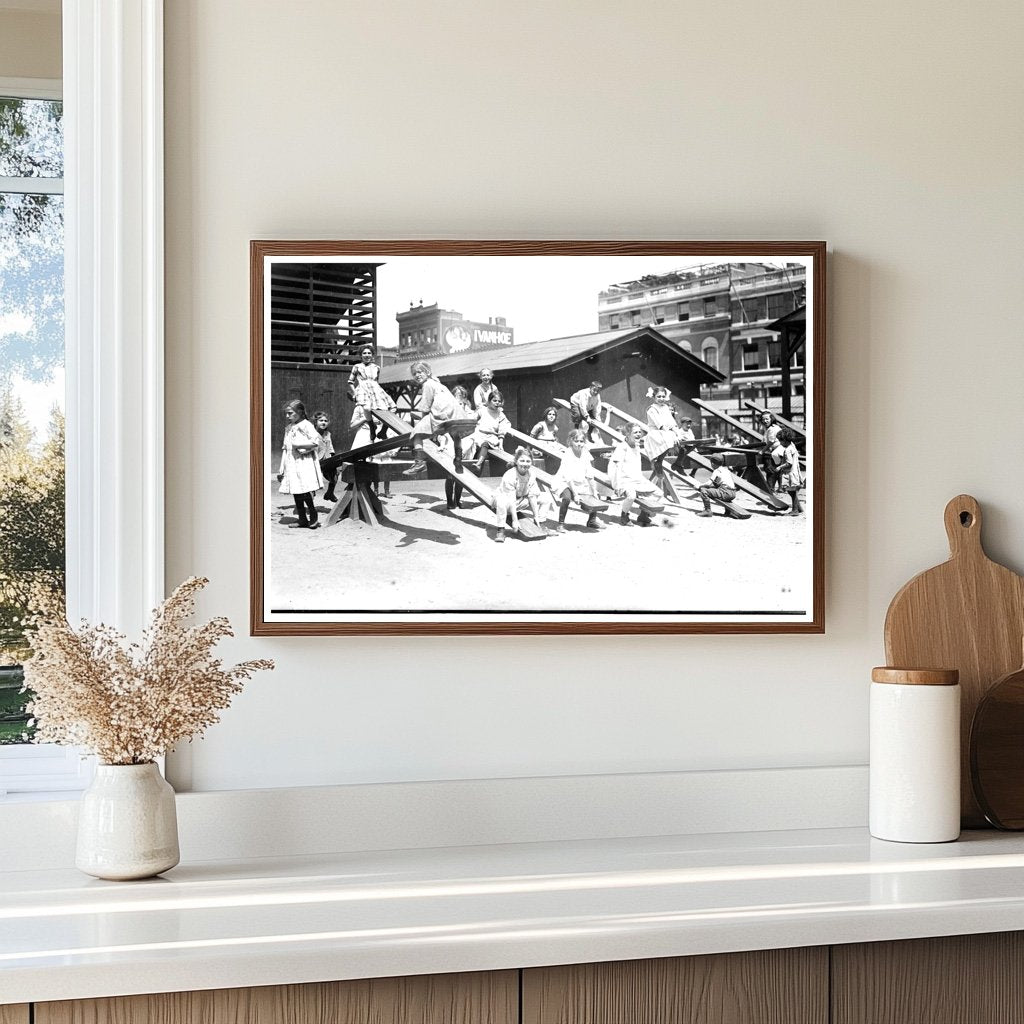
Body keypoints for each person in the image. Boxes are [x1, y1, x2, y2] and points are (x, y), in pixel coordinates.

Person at [403, 361, 457, 477]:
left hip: (440, 415)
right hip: (451, 415)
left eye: (419, 372)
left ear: (427, 372)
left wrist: (422, 423)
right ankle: (458, 456)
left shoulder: (427, 385)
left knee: (416, 434)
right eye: (414, 374)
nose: (417, 375)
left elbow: (425, 407)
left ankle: (419, 463)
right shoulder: (438, 383)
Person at [276, 399, 324, 529]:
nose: (287, 416)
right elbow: (286, 448)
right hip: (292, 462)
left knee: (305, 489)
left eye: (290, 413)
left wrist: (301, 446)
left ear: (300, 412)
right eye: (286, 413)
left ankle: (313, 516)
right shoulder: (289, 428)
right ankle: (302, 519)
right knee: (296, 490)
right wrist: (282, 467)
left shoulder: (306, 425)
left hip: (304, 462)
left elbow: (316, 442)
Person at [608, 424, 662, 527]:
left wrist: (642, 480)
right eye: (635, 432)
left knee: (658, 493)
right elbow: (616, 467)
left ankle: (643, 515)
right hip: (623, 479)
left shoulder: (636, 446)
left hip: (636, 479)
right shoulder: (622, 447)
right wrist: (618, 485)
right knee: (631, 496)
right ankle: (624, 515)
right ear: (628, 434)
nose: (638, 434)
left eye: (639, 432)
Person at [550, 428, 603, 531]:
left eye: (581, 441)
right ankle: (560, 524)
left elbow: (589, 474)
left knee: (595, 495)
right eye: (576, 441)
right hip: (565, 482)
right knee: (567, 498)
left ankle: (592, 521)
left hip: (579, 482)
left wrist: (594, 490)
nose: (579, 444)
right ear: (571, 441)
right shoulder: (568, 454)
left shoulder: (585, 453)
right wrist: (575, 494)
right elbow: (568, 477)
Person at [493, 446, 545, 543]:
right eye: (522, 461)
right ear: (516, 461)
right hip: (507, 500)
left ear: (532, 462)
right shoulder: (510, 475)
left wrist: (536, 516)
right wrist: (515, 520)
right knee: (501, 502)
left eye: (528, 461)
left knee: (545, 499)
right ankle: (500, 530)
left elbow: (532, 496)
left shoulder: (531, 474)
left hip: (520, 499)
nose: (525, 464)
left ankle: (539, 523)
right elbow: (511, 499)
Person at [348, 345, 396, 441]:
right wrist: (355, 393)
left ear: (372, 355)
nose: (367, 355)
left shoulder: (377, 367)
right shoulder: (357, 367)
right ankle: (372, 427)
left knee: (393, 408)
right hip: (363, 389)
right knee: (366, 407)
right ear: (361, 355)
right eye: (364, 353)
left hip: (375, 389)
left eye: (369, 353)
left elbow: (376, 381)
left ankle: (383, 431)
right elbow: (350, 382)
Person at [644, 387, 685, 479]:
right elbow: (660, 424)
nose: (661, 399)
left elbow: (671, 422)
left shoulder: (665, 407)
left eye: (663, 396)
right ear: (654, 397)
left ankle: (678, 463)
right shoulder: (651, 409)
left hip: (666, 432)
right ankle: (659, 461)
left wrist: (677, 433)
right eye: (659, 397)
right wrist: (672, 434)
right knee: (670, 438)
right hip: (655, 432)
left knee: (683, 441)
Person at [470, 390, 512, 472]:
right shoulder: (482, 410)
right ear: (489, 401)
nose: (497, 403)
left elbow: (502, 429)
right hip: (479, 434)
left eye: (499, 401)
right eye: (494, 400)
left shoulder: (500, 414)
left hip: (491, 437)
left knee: (485, 444)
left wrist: (501, 444)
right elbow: (472, 420)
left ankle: (478, 464)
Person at [772, 427, 804, 516]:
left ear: (785, 440)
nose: (780, 443)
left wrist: (779, 467)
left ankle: (795, 510)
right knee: (793, 491)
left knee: (791, 491)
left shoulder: (787, 450)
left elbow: (789, 463)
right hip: (795, 472)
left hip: (790, 473)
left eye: (781, 441)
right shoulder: (792, 446)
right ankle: (799, 508)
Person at [696, 452, 737, 518]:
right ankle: (728, 511)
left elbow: (709, 484)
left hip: (725, 492)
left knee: (704, 491)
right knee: (718, 489)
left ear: (712, 463)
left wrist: (699, 486)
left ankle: (707, 510)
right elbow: (718, 483)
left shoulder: (716, 471)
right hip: (733, 493)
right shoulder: (726, 470)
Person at [312, 410, 338, 503]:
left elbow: (330, 447)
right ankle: (311, 497)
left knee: (335, 474)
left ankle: (330, 493)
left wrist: (332, 456)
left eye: (325, 421)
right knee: (312, 480)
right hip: (315, 460)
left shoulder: (328, 434)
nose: (323, 422)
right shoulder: (312, 433)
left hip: (327, 459)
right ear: (315, 422)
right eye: (321, 420)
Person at [530, 406, 560, 472]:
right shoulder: (541, 425)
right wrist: (529, 447)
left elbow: (554, 437)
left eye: (553, 414)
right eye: (549, 414)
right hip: (541, 445)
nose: (551, 416)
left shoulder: (555, 428)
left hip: (552, 446)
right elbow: (532, 435)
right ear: (546, 415)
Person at [759, 411, 782, 490]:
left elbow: (771, 441)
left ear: (771, 419)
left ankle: (770, 489)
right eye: (763, 419)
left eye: (767, 419)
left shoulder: (772, 429)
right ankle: (778, 487)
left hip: (773, 452)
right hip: (778, 452)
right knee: (777, 470)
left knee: (769, 470)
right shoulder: (774, 427)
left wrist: (762, 451)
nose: (765, 421)